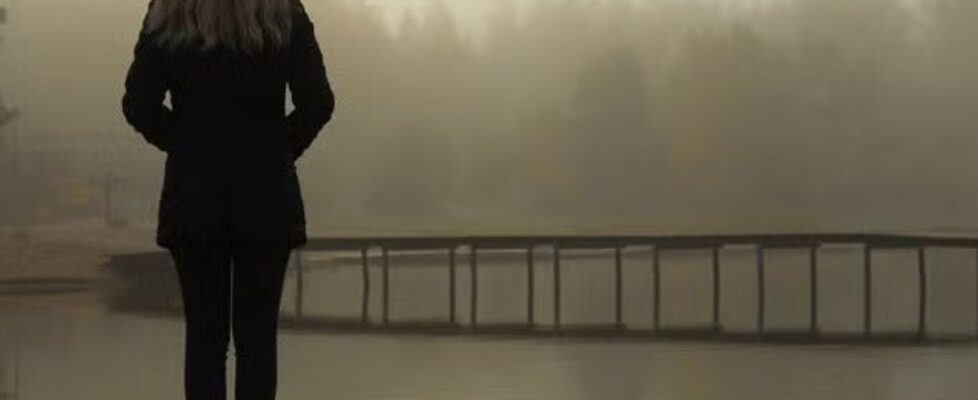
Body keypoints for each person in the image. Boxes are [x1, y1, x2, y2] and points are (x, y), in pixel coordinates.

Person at [121, 0, 335, 398]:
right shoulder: (283, 10)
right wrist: (276, 151)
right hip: (266, 199)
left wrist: (186, 147)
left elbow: (138, 104)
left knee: (204, 341)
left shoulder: (168, 10)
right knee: (257, 343)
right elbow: (318, 102)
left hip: (194, 199)